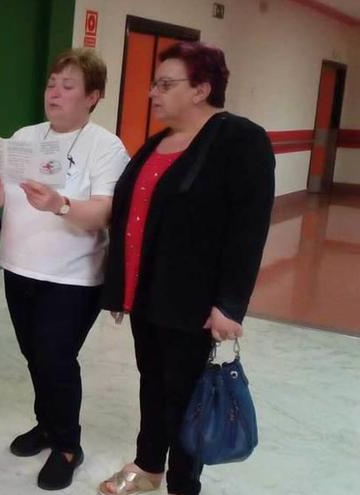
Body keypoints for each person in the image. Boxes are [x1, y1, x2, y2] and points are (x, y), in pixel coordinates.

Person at [96, 41, 274, 495]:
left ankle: (183, 483)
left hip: (194, 301)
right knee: (152, 385)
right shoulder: (158, 143)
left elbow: (248, 231)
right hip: (148, 296)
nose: (153, 93)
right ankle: (149, 465)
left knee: (187, 396)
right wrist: (120, 288)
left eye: (165, 84)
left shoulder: (240, 139)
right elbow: (132, 218)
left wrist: (230, 305)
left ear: (201, 90)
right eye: (155, 83)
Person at [0, 48, 129, 490]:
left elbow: (101, 214)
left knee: (56, 360)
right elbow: (10, 201)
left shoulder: (106, 147)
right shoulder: (25, 136)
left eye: (68, 86)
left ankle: (67, 445)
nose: (55, 93)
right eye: (51, 84)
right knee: (34, 355)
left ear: (93, 96)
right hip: (19, 267)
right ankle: (46, 425)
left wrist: (60, 203)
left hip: (72, 277)